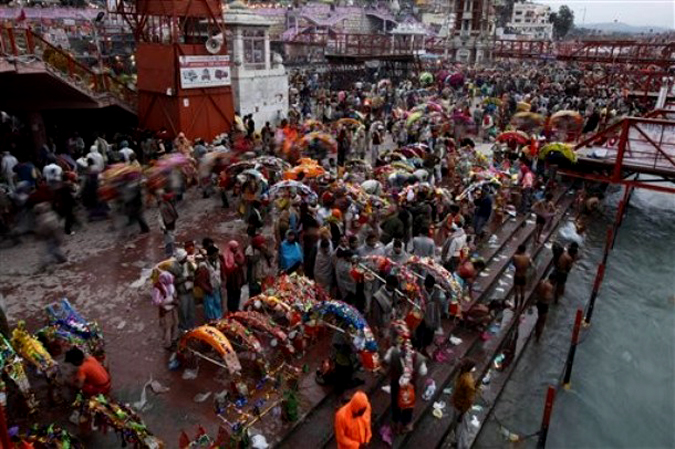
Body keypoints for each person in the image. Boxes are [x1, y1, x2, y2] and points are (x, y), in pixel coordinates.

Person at [384, 322, 427, 434]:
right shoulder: (418, 357)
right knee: (408, 406)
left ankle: (395, 422)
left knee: (395, 403)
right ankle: (405, 425)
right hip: (410, 387)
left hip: (396, 384)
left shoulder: (392, 352)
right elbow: (423, 372)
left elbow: (386, 360)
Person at [414, 275, 445, 357]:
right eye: (427, 287)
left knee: (429, 335)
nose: (429, 289)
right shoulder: (421, 292)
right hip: (422, 317)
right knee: (420, 334)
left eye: (430, 287)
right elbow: (416, 303)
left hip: (433, 316)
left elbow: (442, 303)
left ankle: (424, 349)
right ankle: (418, 349)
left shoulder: (438, 292)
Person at [451, 359, 476, 449]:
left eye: (462, 363)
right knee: (456, 427)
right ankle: (458, 443)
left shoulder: (468, 382)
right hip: (456, 404)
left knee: (462, 431)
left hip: (461, 408)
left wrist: (462, 413)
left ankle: (461, 446)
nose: (459, 363)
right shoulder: (461, 375)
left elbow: (469, 400)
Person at [152, 270, 179, 349]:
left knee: (176, 322)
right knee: (167, 327)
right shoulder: (158, 287)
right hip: (166, 310)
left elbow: (173, 292)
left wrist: (174, 299)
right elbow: (157, 301)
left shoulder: (169, 284)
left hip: (173, 307)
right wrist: (169, 301)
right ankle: (168, 344)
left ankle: (174, 339)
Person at [195, 246, 224, 321]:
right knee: (210, 309)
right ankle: (210, 323)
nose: (216, 256)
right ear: (210, 255)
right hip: (209, 291)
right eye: (215, 255)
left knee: (217, 306)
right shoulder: (204, 266)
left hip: (216, 289)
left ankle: (218, 322)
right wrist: (208, 289)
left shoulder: (217, 263)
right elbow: (200, 281)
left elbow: (221, 274)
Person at [372, 274, 397, 340]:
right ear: (388, 285)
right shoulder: (378, 296)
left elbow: (394, 303)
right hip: (382, 323)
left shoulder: (393, 292)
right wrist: (380, 328)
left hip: (390, 320)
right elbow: (376, 314)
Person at [223, 240, 246, 312]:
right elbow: (227, 266)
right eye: (234, 247)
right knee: (231, 295)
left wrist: (236, 258)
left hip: (238, 277)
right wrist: (233, 265)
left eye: (236, 247)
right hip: (231, 278)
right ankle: (231, 310)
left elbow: (242, 262)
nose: (236, 249)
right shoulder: (226, 254)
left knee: (237, 293)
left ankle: (236, 309)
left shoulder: (238, 254)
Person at [535, 272, 556, 341]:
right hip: (544, 304)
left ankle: (536, 333)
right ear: (553, 279)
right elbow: (547, 297)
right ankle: (538, 338)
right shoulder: (550, 286)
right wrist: (551, 297)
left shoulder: (542, 282)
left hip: (539, 302)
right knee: (542, 322)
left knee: (538, 319)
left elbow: (537, 291)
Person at [158, 192, 179, 257]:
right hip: (167, 224)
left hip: (170, 223)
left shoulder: (167, 204)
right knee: (169, 239)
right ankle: (169, 253)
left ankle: (171, 251)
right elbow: (160, 218)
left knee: (171, 238)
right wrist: (163, 227)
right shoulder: (163, 207)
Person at [512, 244, 531, 310]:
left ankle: (515, 307)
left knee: (516, 292)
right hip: (524, 275)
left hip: (517, 275)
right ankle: (521, 306)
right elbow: (530, 265)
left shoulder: (515, 257)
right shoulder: (528, 257)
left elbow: (514, 264)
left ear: (519, 249)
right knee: (522, 292)